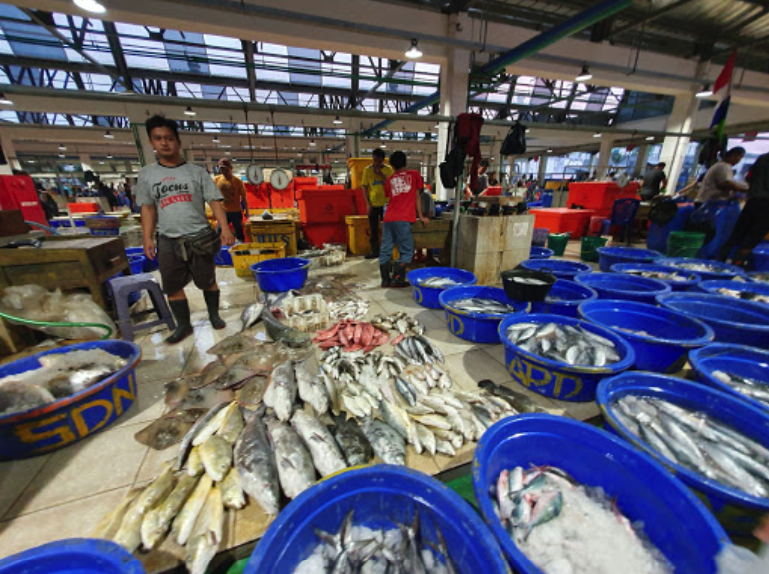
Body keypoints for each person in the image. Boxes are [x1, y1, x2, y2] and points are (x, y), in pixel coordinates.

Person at [135, 116, 236, 344]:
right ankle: (183, 325)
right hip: (167, 239)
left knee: (208, 280)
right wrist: (147, 237)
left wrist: (224, 228)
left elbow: (215, 201)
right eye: (158, 139)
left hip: (199, 235)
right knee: (172, 284)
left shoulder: (196, 172)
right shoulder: (147, 175)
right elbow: (148, 208)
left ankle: (214, 315)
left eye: (169, 138)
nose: (164, 143)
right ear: (151, 142)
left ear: (178, 142)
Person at [379, 151, 429, 288]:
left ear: (392, 165)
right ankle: (397, 279)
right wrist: (421, 216)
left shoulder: (390, 180)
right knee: (407, 251)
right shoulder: (414, 175)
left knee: (386, 249)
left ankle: (385, 280)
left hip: (388, 218)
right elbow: (417, 197)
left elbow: (390, 196)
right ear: (405, 162)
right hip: (403, 218)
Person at [717, 152, 769, 268]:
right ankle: (737, 266)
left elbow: (748, 177)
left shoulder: (762, 158)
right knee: (754, 236)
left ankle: (719, 263)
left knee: (738, 232)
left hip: (753, 200)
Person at [361, 149, 393, 259]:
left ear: (383, 160)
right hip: (373, 205)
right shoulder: (367, 170)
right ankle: (375, 251)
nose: (376, 163)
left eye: (379, 161)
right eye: (374, 160)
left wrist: (381, 174)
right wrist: (368, 204)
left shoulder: (388, 170)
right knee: (373, 230)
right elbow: (364, 187)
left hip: (386, 205)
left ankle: (386, 252)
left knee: (387, 230)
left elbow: (390, 185)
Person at [214, 157, 249, 242]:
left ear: (230, 168)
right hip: (222, 212)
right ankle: (218, 250)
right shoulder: (217, 180)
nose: (223, 171)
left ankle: (240, 248)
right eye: (221, 169)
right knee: (219, 231)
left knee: (239, 231)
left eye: (225, 169)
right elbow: (214, 196)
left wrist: (247, 211)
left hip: (236, 211)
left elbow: (243, 197)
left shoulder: (238, 182)